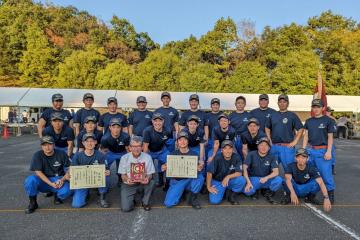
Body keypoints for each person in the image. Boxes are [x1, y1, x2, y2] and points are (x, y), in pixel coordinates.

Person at [23, 136, 71, 214]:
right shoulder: (37, 155)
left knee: (66, 191)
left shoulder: (61, 154)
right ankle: (33, 202)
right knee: (30, 180)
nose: (47, 147)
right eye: (44, 145)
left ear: (54, 145)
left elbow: (69, 168)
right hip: (44, 181)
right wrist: (51, 184)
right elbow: (38, 172)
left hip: (58, 179)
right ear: (41, 146)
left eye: (49, 144)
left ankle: (57, 195)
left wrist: (63, 179)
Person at [303, 99, 336, 204]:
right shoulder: (309, 121)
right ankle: (311, 195)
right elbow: (306, 136)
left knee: (326, 175)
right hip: (310, 150)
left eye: (318, 107)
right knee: (311, 174)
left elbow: (330, 137)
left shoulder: (328, 120)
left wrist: (329, 151)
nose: (316, 109)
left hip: (323, 151)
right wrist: (303, 151)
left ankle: (330, 196)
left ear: (323, 108)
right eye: (314, 107)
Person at [281, 148, 332, 212]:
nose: (300, 159)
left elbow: (321, 183)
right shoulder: (290, 166)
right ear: (295, 158)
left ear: (307, 159)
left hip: (305, 188)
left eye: (303, 157)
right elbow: (288, 180)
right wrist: (292, 193)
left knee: (318, 182)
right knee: (284, 180)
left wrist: (326, 198)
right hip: (295, 188)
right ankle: (288, 196)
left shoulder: (311, 167)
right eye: (298, 157)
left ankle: (310, 197)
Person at [163, 131, 204, 209]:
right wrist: (164, 167)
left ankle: (192, 199)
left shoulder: (194, 154)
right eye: (180, 140)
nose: (183, 142)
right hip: (177, 181)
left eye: (185, 139)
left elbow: (198, 168)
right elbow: (168, 168)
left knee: (200, 178)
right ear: (177, 142)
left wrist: (199, 167)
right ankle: (182, 192)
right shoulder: (172, 154)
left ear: (188, 142)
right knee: (168, 203)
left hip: (189, 179)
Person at [71, 133, 110, 208]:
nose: (89, 143)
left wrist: (107, 171)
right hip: (82, 181)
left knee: (106, 176)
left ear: (95, 142)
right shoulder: (77, 156)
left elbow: (106, 168)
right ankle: (86, 192)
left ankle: (102, 198)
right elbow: (73, 171)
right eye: (87, 141)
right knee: (77, 205)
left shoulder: (101, 155)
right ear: (83, 143)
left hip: (95, 179)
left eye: (92, 141)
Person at [265, 94, 304, 171]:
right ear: (278, 103)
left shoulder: (292, 115)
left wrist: (295, 142)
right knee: (271, 169)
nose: (282, 103)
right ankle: (276, 183)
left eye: (284, 102)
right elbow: (267, 127)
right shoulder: (273, 115)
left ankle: (290, 183)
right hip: (274, 147)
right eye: (280, 102)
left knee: (289, 169)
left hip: (287, 147)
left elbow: (300, 129)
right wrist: (269, 139)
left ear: (288, 103)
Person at [118, 136, 156, 212]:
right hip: (129, 184)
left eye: (138, 146)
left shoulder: (147, 157)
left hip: (143, 183)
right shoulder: (124, 158)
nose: (136, 148)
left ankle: (145, 202)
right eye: (134, 146)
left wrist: (147, 178)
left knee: (152, 182)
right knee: (126, 208)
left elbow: (150, 174)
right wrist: (127, 179)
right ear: (130, 147)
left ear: (142, 147)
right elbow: (123, 175)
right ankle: (133, 199)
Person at [242, 137, 282, 204]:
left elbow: (276, 172)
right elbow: (244, 168)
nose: (264, 147)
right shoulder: (251, 154)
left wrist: (267, 177)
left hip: (265, 179)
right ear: (258, 146)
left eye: (266, 145)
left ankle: (268, 191)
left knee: (279, 180)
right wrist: (248, 182)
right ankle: (256, 190)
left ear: (269, 148)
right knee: (248, 192)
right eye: (261, 145)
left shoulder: (272, 156)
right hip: (253, 179)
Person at [207, 140, 246, 205]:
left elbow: (239, 173)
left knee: (242, 180)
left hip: (229, 180)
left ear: (233, 149)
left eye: (230, 148)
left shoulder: (237, 157)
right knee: (214, 201)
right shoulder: (217, 157)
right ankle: (223, 190)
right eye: (225, 148)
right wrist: (208, 187)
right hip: (217, 181)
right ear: (222, 150)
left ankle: (231, 195)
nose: (228, 151)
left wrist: (228, 177)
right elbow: (209, 173)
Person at [143, 113, 172, 188]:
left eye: (160, 120)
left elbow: (170, 143)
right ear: (152, 121)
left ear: (163, 121)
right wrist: (144, 160)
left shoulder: (168, 130)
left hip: (162, 150)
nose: (158, 123)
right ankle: (149, 182)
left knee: (170, 164)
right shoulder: (147, 131)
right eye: (155, 121)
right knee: (146, 166)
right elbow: (145, 146)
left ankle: (167, 183)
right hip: (150, 151)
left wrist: (170, 155)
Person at [101, 118, 130, 186]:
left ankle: (120, 179)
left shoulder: (126, 136)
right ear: (110, 127)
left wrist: (130, 160)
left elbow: (128, 149)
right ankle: (103, 182)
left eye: (118, 127)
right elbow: (103, 151)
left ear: (121, 128)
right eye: (113, 127)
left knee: (122, 167)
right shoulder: (105, 138)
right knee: (104, 167)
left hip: (122, 153)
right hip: (111, 153)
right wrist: (103, 161)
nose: (116, 129)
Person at [326, 106, 337, 175]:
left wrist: (334, 120)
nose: (329, 113)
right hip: (321, 140)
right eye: (328, 111)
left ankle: (332, 169)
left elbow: (335, 130)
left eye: (330, 111)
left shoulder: (332, 120)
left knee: (331, 154)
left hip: (329, 140)